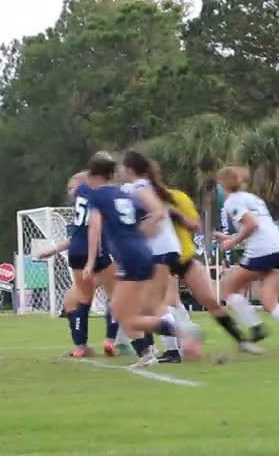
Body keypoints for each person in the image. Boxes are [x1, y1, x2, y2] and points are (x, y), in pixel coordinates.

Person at [84, 151, 201, 368]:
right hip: (142, 253)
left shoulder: (101, 195)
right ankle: (147, 353)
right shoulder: (123, 194)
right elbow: (151, 213)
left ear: (92, 175)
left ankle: (181, 332)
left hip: (132, 256)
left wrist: (91, 262)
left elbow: (95, 228)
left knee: (130, 313)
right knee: (125, 310)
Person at [214, 166, 279, 352]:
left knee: (228, 287)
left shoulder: (232, 202)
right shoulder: (253, 198)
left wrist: (232, 242)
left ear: (223, 184)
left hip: (262, 251)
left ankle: (256, 328)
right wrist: (227, 238)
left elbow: (252, 224)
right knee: (268, 300)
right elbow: (259, 228)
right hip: (278, 249)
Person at [32, 171, 128, 358]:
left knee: (78, 301)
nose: (69, 191)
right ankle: (109, 340)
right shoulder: (100, 199)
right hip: (98, 254)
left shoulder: (86, 198)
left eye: (71, 187)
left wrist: (52, 251)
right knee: (113, 297)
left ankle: (82, 346)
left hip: (80, 254)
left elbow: (78, 238)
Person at [154, 184, 249, 361]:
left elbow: (194, 225)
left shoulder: (176, 197)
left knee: (209, 300)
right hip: (159, 258)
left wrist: (175, 214)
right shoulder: (138, 198)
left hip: (183, 255)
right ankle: (174, 349)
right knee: (166, 302)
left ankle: (241, 339)